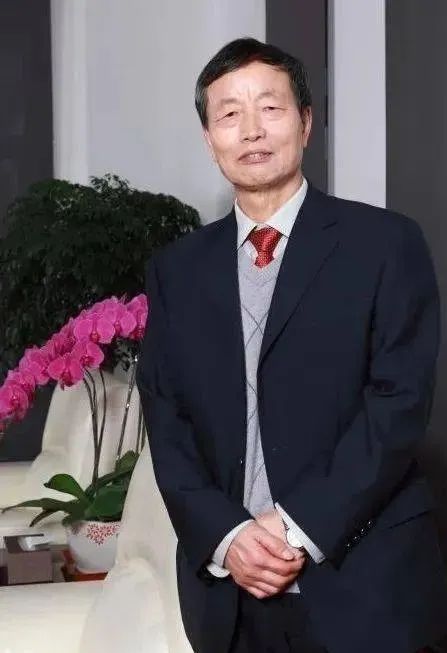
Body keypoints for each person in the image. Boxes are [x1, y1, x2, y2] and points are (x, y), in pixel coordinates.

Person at [136, 38, 447, 653]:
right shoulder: (176, 270)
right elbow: (166, 420)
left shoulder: (384, 244)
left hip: (366, 590)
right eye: (229, 113)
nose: (251, 130)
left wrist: (295, 527)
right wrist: (227, 536)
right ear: (209, 138)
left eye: (270, 108)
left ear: (305, 123)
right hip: (231, 597)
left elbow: (398, 404)